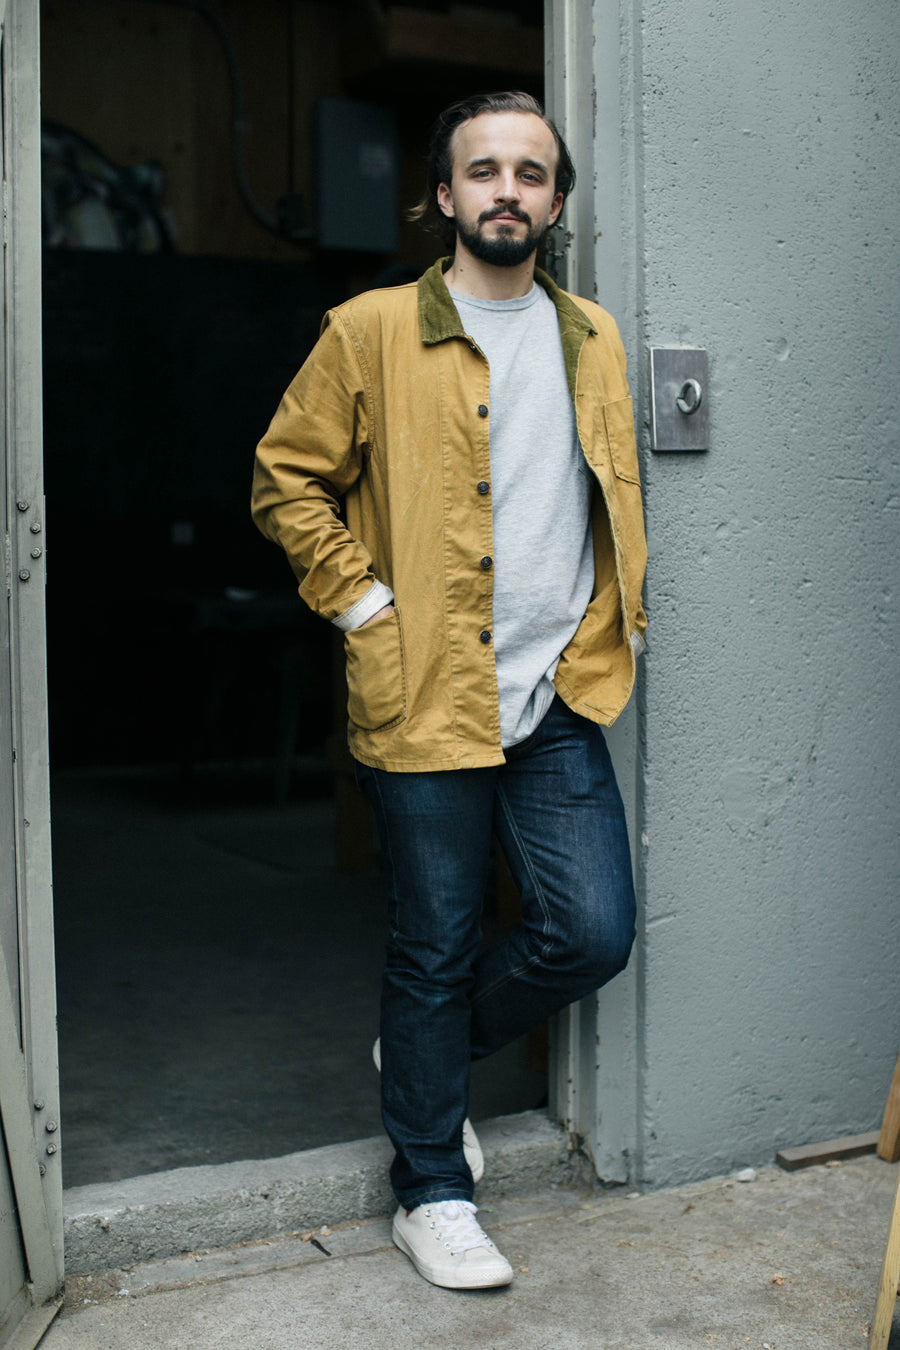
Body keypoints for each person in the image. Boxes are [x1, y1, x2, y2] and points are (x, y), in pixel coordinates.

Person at [252, 90, 648, 1291]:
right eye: (484, 171)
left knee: (592, 930)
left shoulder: (594, 337)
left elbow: (607, 497)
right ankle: (430, 1184)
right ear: (444, 196)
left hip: (556, 691)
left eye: (531, 173)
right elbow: (286, 481)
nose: (508, 191)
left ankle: (422, 1061)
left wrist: (600, 622)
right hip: (426, 689)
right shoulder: (369, 329)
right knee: (432, 945)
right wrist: (368, 607)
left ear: (558, 203)